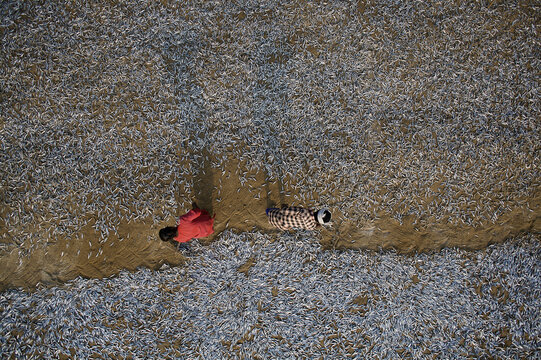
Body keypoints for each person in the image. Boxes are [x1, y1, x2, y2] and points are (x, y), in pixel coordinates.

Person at [266, 205, 331, 230]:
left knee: (270, 210)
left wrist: (284, 207)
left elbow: (284, 211)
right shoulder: (311, 227)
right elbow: (316, 226)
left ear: (318, 211)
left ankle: (268, 211)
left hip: (274, 215)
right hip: (281, 226)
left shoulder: (304, 212)